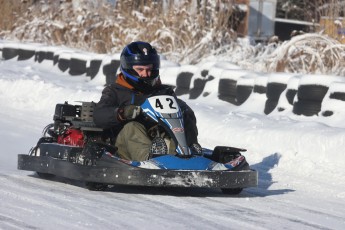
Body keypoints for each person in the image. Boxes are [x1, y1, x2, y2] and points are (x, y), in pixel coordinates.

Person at [93, 41, 200, 161]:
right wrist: (121, 113)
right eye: (140, 69)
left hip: (158, 139)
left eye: (149, 69)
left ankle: (188, 155)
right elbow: (98, 115)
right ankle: (149, 159)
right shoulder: (115, 91)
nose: (145, 74)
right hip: (124, 146)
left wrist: (183, 110)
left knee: (185, 115)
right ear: (128, 68)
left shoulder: (164, 91)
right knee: (132, 127)